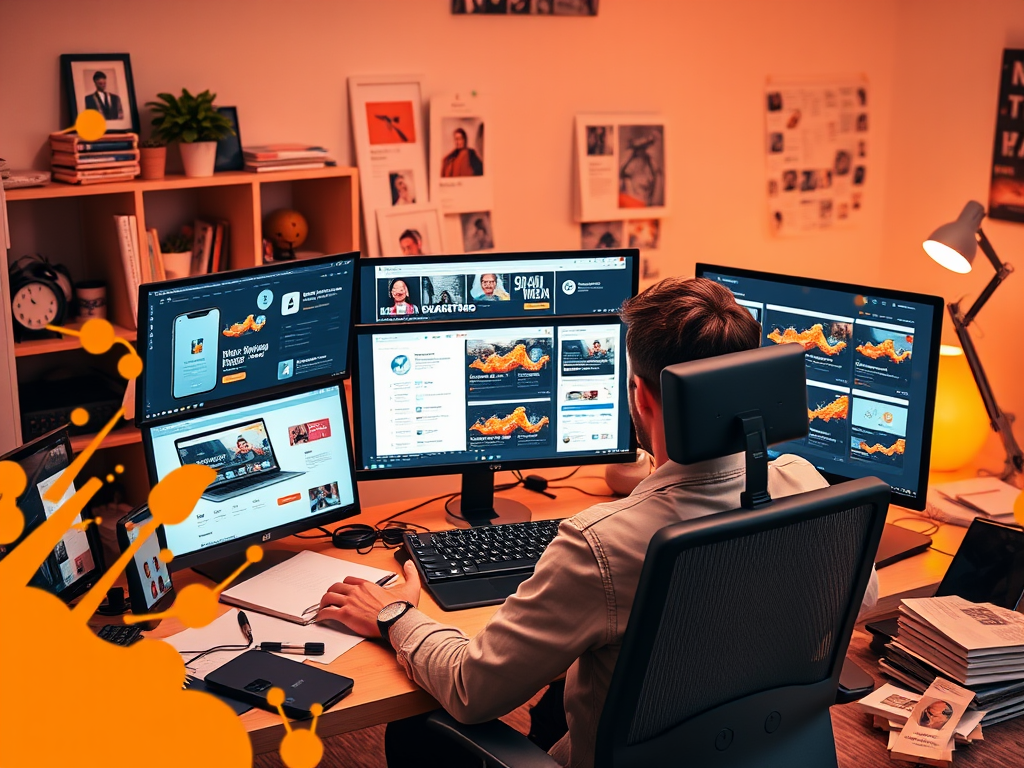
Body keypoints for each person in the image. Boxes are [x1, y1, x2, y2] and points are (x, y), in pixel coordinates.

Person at [315, 276, 880, 768]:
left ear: (640, 394)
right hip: (762, 750)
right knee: (561, 688)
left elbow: (471, 689)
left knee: (413, 728)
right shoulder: (805, 485)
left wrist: (394, 615)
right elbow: (867, 596)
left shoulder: (600, 543)